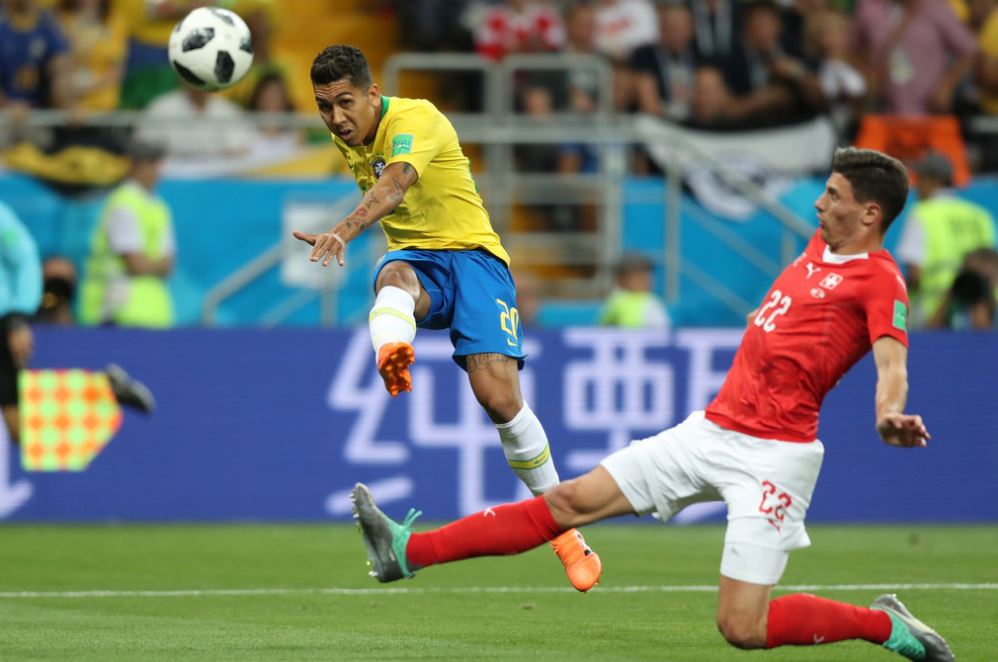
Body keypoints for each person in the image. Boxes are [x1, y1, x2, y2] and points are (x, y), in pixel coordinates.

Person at [351, 147, 955, 661]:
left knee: (742, 627)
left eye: (832, 194)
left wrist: (888, 412)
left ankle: (886, 625)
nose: (819, 203)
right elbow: (789, 318)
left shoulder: (881, 279)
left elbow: (891, 360)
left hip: (776, 455)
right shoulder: (817, 250)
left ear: (870, 213)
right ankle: (407, 553)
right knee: (566, 500)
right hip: (711, 431)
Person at [292, 45, 602, 592]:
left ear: (371, 94)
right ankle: (392, 348)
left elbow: (394, 187)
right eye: (324, 107)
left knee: (500, 401)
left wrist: (342, 228)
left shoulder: (416, 118)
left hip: (475, 259)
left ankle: (566, 533)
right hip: (419, 262)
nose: (336, 118)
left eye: (345, 102)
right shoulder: (353, 139)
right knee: (392, 280)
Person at [0, 200, 154, 444]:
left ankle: (103, 394)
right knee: (21, 430)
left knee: (22, 427)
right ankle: (104, 393)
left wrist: (17, 318)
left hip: (4, 320)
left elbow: (25, 257)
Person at [79, 139, 176, 328]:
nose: (155, 169)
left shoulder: (159, 207)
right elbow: (135, 263)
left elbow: (168, 265)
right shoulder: (123, 203)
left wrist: (149, 264)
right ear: (134, 166)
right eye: (149, 162)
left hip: (154, 313)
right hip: (116, 311)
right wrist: (155, 265)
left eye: (156, 162)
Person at [895, 151, 996, 326]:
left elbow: (915, 274)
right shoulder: (980, 216)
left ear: (934, 180)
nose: (916, 186)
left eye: (920, 179)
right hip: (981, 312)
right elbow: (991, 265)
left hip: (935, 312)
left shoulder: (923, 213)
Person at [599, 253, 670, 329]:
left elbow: (664, 328)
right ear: (621, 279)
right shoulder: (616, 300)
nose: (645, 279)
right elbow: (604, 328)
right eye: (638, 275)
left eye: (647, 274)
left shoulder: (652, 300)